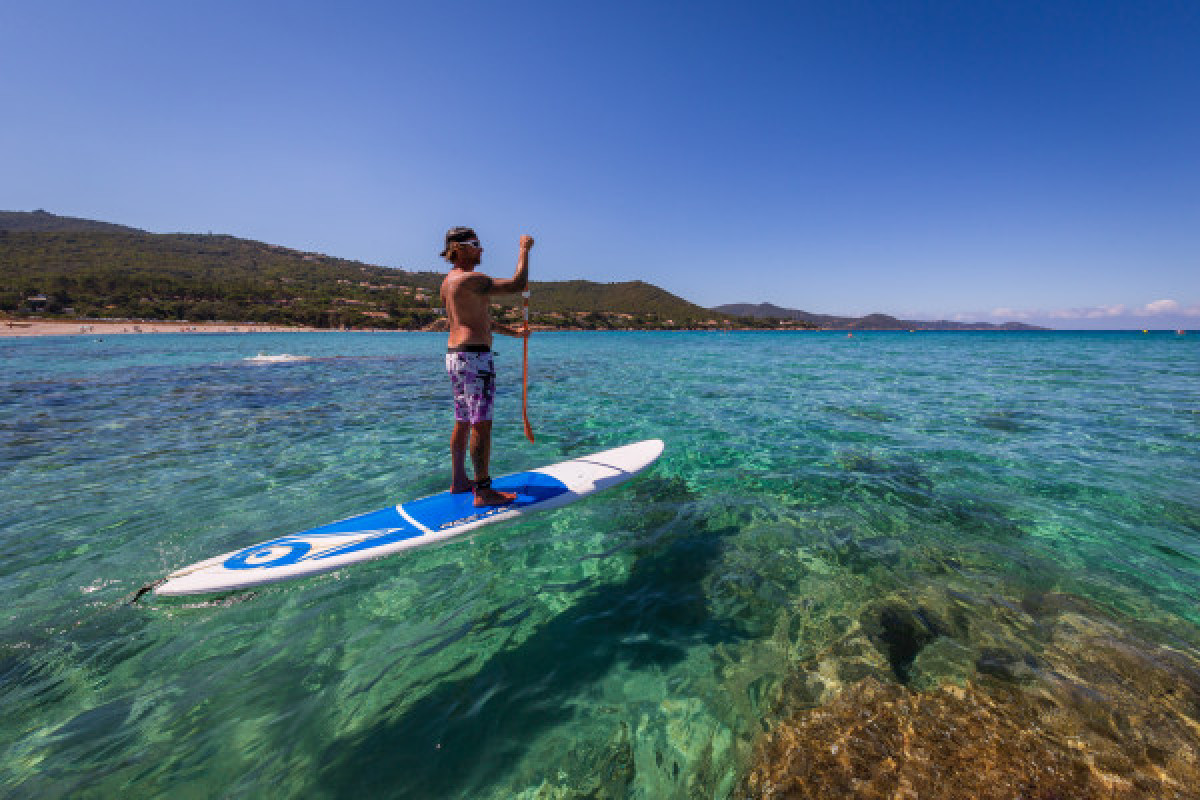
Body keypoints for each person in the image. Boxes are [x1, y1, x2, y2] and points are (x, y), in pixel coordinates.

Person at [439, 226, 533, 507]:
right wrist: (524, 249)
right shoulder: (472, 279)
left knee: (464, 419)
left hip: (456, 356)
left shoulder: (448, 284)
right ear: (460, 248)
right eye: (476, 244)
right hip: (475, 358)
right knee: (482, 423)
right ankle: (483, 490)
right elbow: (518, 284)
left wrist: (514, 333)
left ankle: (459, 480)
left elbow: (479, 321)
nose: (481, 249)